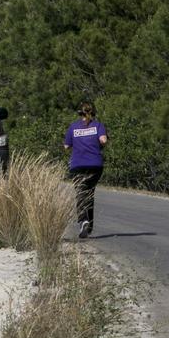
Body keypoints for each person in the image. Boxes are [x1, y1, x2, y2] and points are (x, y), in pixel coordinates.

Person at [64, 100, 107, 238]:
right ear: (92, 112)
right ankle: (89, 227)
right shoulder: (98, 125)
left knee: (81, 193)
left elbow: (66, 147)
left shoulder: (73, 127)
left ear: (79, 113)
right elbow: (103, 140)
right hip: (95, 165)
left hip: (78, 165)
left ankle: (83, 220)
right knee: (89, 193)